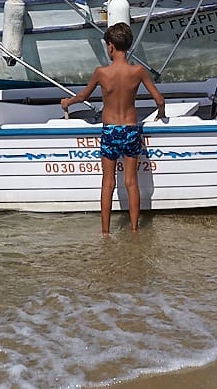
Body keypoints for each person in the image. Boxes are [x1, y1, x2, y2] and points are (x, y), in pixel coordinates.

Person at [60, 23, 166, 235]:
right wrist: (161, 115)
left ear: (110, 47)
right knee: (131, 182)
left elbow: (83, 96)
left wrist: (67, 103)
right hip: (130, 129)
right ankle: (135, 230)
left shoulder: (101, 73)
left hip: (110, 131)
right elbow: (160, 100)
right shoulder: (138, 71)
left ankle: (106, 232)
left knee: (107, 182)